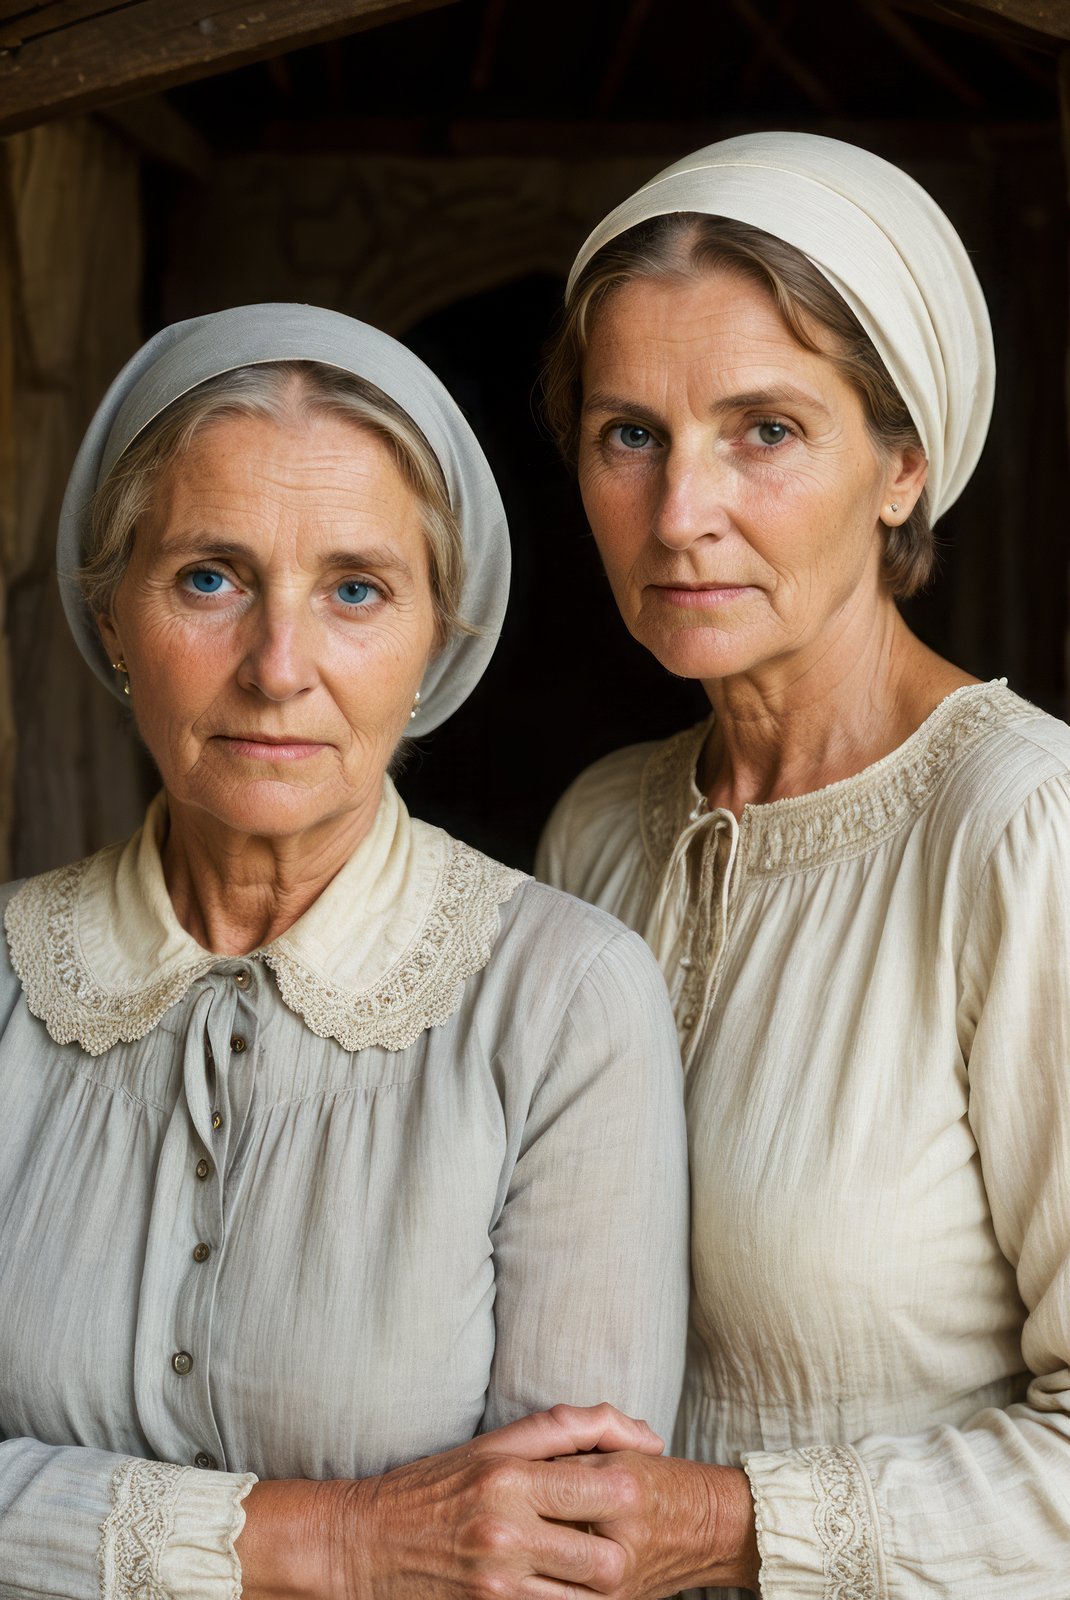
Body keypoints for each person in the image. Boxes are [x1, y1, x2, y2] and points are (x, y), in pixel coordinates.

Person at [0, 303, 690, 1599]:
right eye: (209, 576)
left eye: (355, 591)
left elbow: (566, 1547)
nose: (277, 666)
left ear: (439, 638)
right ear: (109, 615)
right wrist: (334, 1540)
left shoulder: (560, 1001)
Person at [537, 132, 1070, 1598]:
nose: (678, 511)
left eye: (762, 430)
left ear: (901, 466)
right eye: (625, 432)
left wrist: (719, 1524)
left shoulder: (1025, 832)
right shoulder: (595, 828)